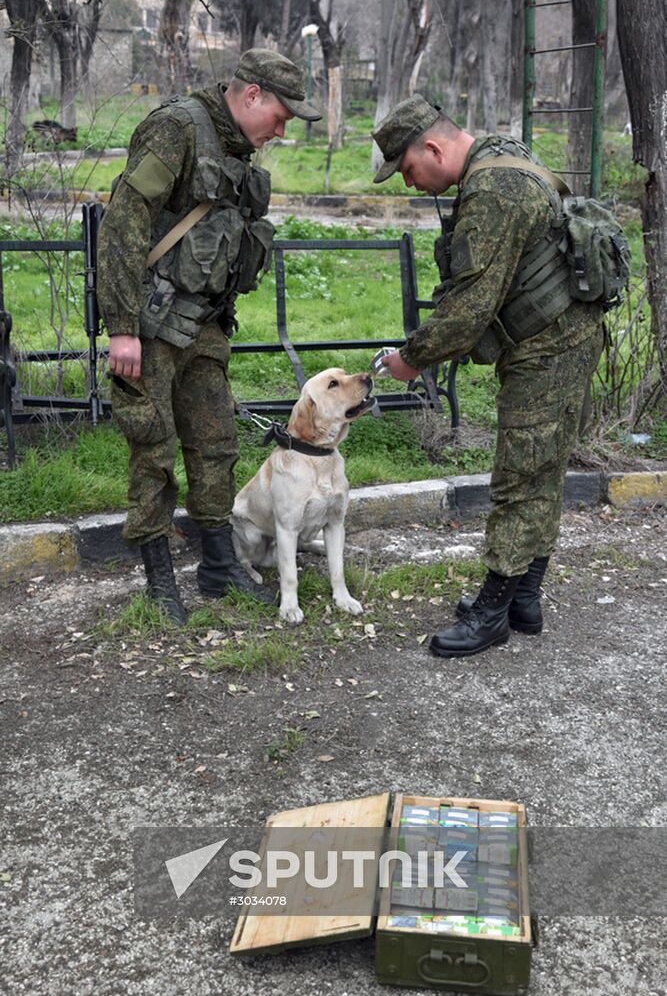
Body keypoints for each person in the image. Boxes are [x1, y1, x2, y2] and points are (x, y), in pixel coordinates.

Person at [372, 95, 605, 659]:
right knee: (543, 470)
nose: (410, 185)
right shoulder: (505, 156)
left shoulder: (491, 191)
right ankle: (525, 597)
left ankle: (493, 611)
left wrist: (413, 357)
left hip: (548, 349)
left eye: (407, 170)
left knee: (518, 476)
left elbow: (471, 307)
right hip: (566, 338)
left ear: (432, 147)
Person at [97, 49, 321, 625]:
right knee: (154, 447)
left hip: (206, 327)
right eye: (280, 114)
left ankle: (219, 568)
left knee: (216, 444)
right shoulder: (178, 128)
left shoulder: (238, 150)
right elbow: (123, 222)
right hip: (152, 326)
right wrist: (121, 328)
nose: (282, 128)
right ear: (251, 95)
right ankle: (158, 581)